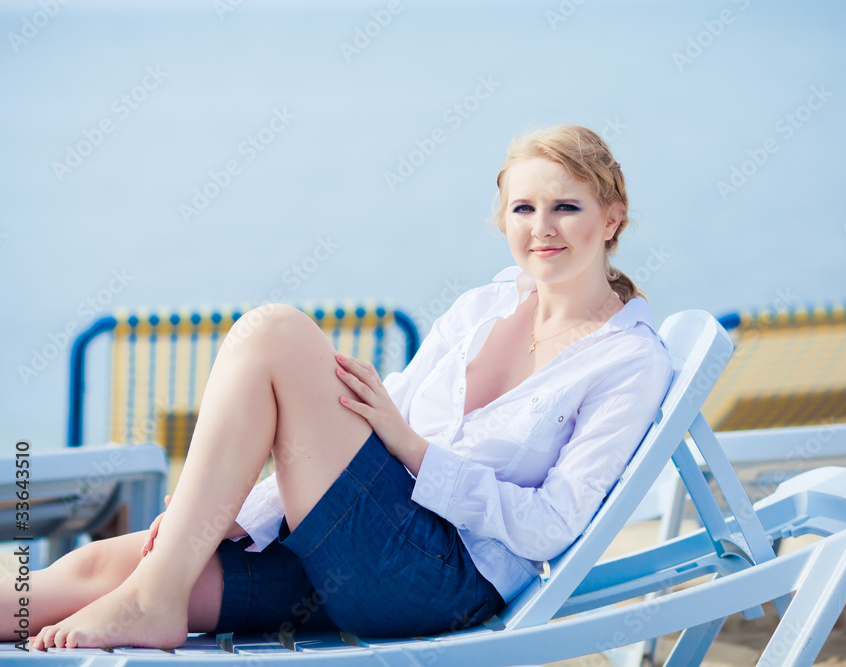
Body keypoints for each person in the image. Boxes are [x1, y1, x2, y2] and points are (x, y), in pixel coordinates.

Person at [14, 124, 672, 650]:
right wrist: (215, 514)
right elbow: (361, 432)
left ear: (612, 219)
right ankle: (156, 589)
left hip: (439, 578)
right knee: (92, 570)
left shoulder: (627, 361)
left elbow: (551, 526)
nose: (542, 226)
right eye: (523, 207)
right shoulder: (482, 308)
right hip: (351, 549)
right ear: (503, 218)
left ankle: (154, 598)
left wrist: (416, 451)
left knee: (275, 332)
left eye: (566, 206)